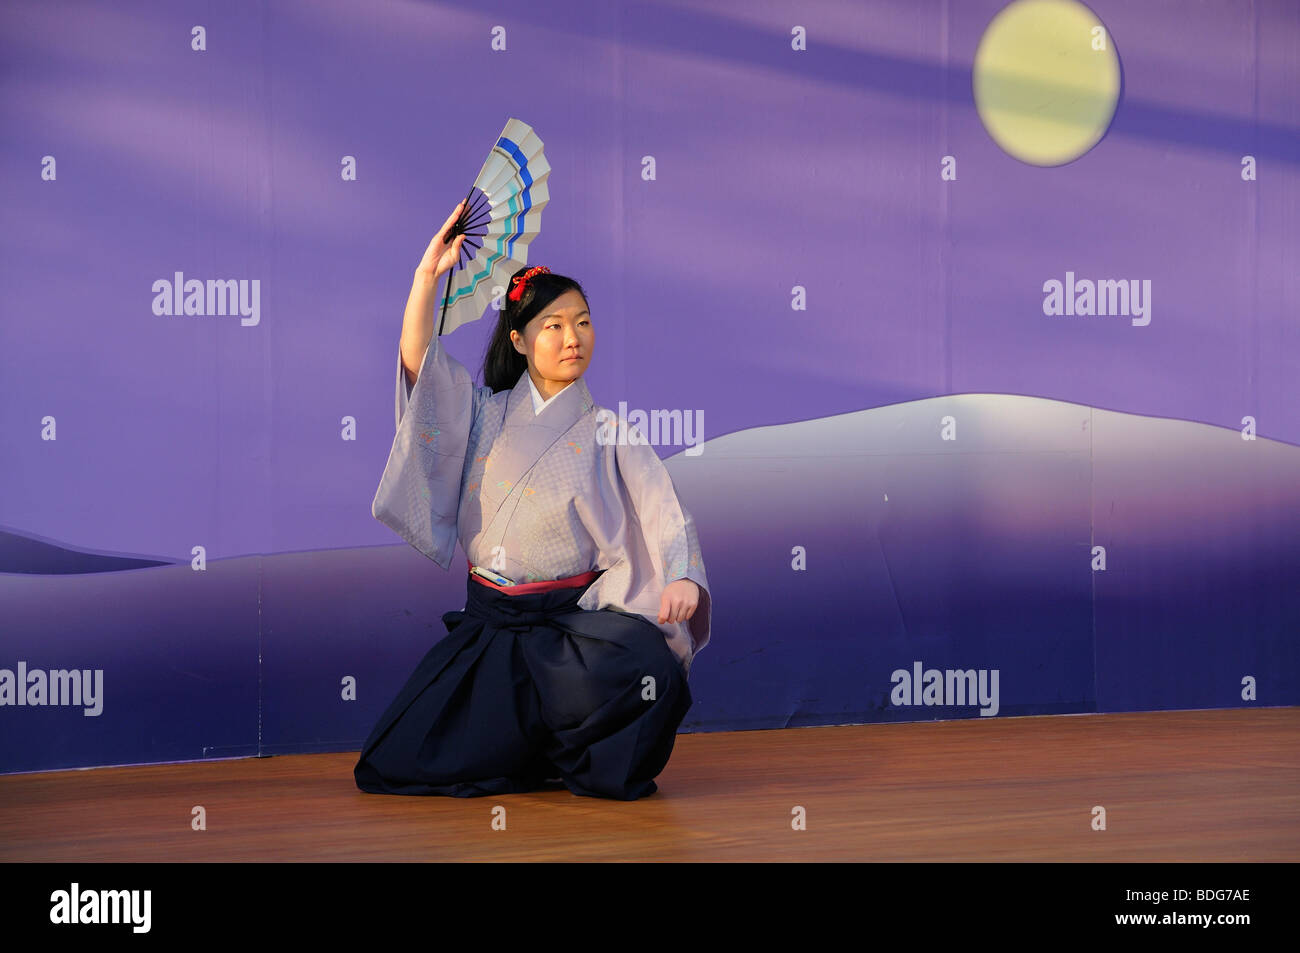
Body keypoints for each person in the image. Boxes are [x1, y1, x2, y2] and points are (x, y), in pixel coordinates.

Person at [354, 200, 712, 800]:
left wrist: (682, 576)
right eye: (553, 325)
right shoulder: (484, 414)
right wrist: (426, 278)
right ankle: (525, 745)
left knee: (652, 673)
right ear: (518, 339)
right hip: (492, 627)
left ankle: (556, 744)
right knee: (398, 756)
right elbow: (422, 373)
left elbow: (663, 509)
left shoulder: (609, 431)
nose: (573, 338)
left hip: (570, 629)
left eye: (583, 322)